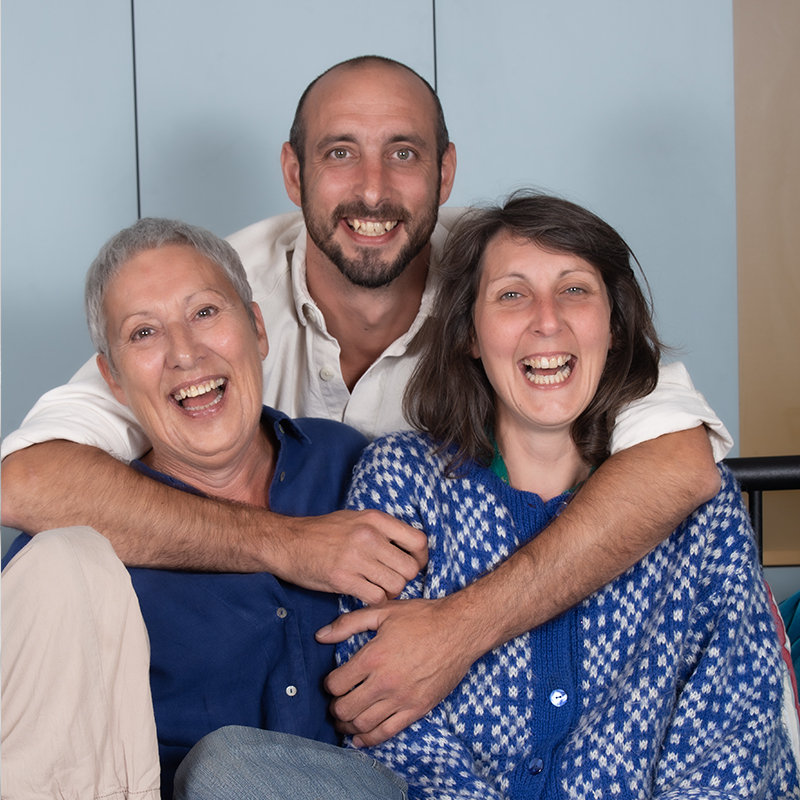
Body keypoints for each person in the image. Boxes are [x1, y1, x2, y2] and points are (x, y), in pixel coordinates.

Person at [1, 55, 730, 745]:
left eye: (405, 153)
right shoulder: (208, 290)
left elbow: (681, 464)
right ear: (294, 171)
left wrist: (460, 629)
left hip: (450, 712)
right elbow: (27, 480)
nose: (374, 189)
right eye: (340, 152)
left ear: (446, 172)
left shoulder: (511, 285)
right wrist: (289, 543)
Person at [328, 194, 798, 796]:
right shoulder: (401, 480)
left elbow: (735, 733)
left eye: (575, 289)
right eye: (511, 294)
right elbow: (385, 727)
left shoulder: (699, 509)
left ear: (614, 325)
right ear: (470, 334)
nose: (547, 320)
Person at [0, 218, 408, 800]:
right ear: (112, 379)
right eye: (144, 333)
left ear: (258, 329)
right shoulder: (73, 571)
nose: (185, 355)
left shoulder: (359, 467)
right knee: (226, 769)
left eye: (205, 313)